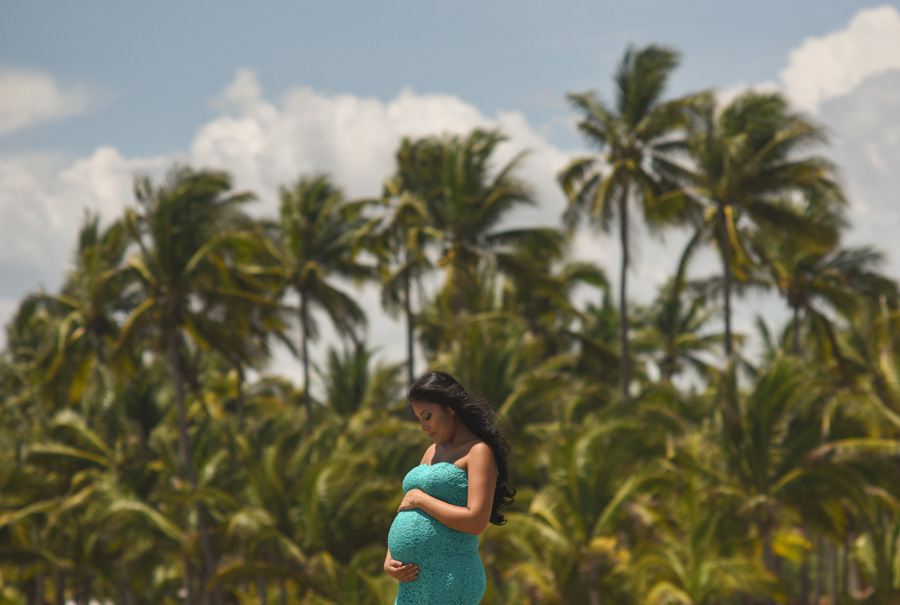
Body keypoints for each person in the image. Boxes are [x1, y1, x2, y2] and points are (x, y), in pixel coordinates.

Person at [384, 371, 515, 604]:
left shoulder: (479, 451)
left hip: (450, 576)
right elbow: (408, 506)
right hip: (413, 583)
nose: (423, 426)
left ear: (450, 408)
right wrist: (390, 559)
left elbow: (476, 521)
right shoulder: (431, 451)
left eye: (427, 416)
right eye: (419, 419)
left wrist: (421, 500)